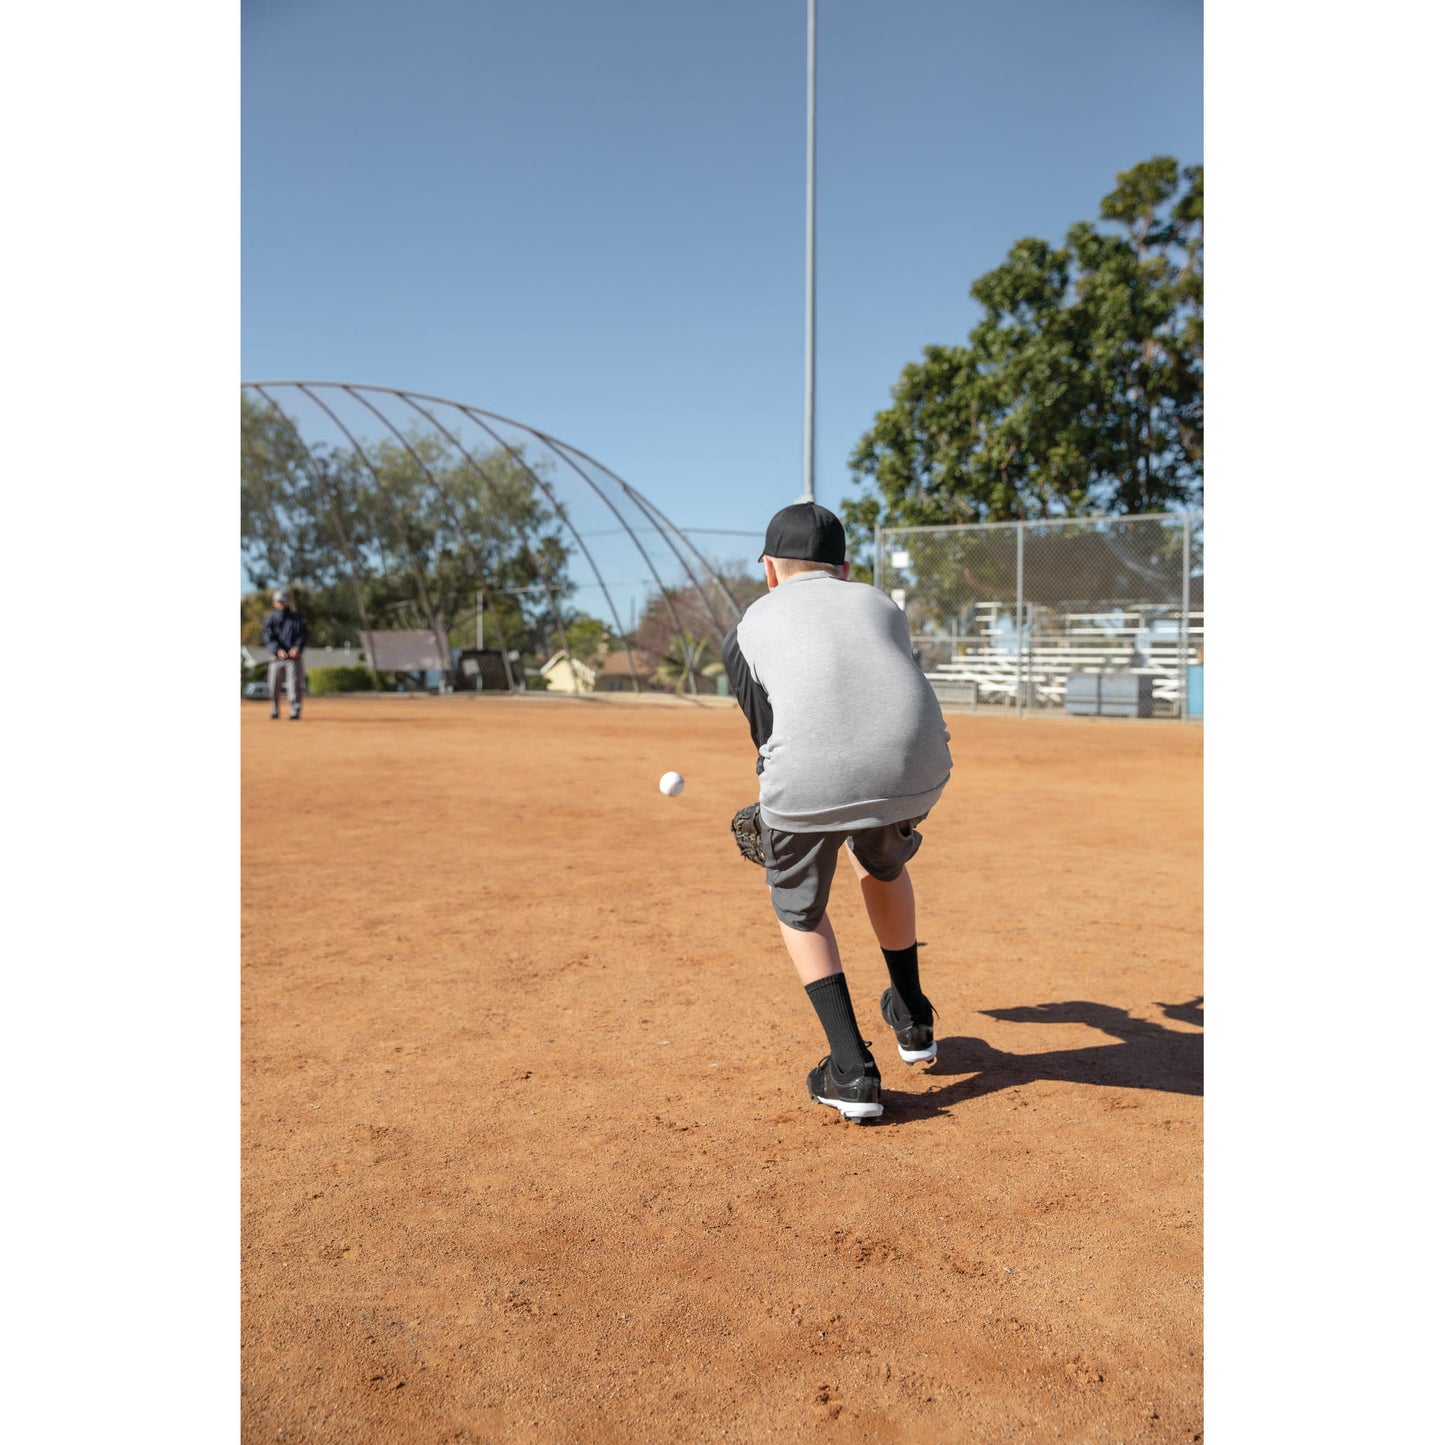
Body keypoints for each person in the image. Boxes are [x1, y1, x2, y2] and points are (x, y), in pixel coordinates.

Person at [722, 503, 953, 1122]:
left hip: (809, 777)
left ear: (768, 569)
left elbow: (771, 739)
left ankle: (850, 1069)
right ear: (844, 568)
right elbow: (881, 693)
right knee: (879, 859)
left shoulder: (748, 625)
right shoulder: (879, 602)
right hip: (917, 768)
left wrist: (774, 817)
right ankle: (913, 1017)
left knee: (798, 907)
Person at [262, 588, 309, 721]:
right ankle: (275, 709)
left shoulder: (297, 618)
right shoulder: (270, 619)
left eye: (283, 601)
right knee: (274, 684)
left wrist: (297, 648)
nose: (281, 604)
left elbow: (303, 635)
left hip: (293, 658)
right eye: (279, 601)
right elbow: (268, 637)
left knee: (294, 684)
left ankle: (295, 710)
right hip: (276, 657)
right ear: (274, 602)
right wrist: (277, 650)